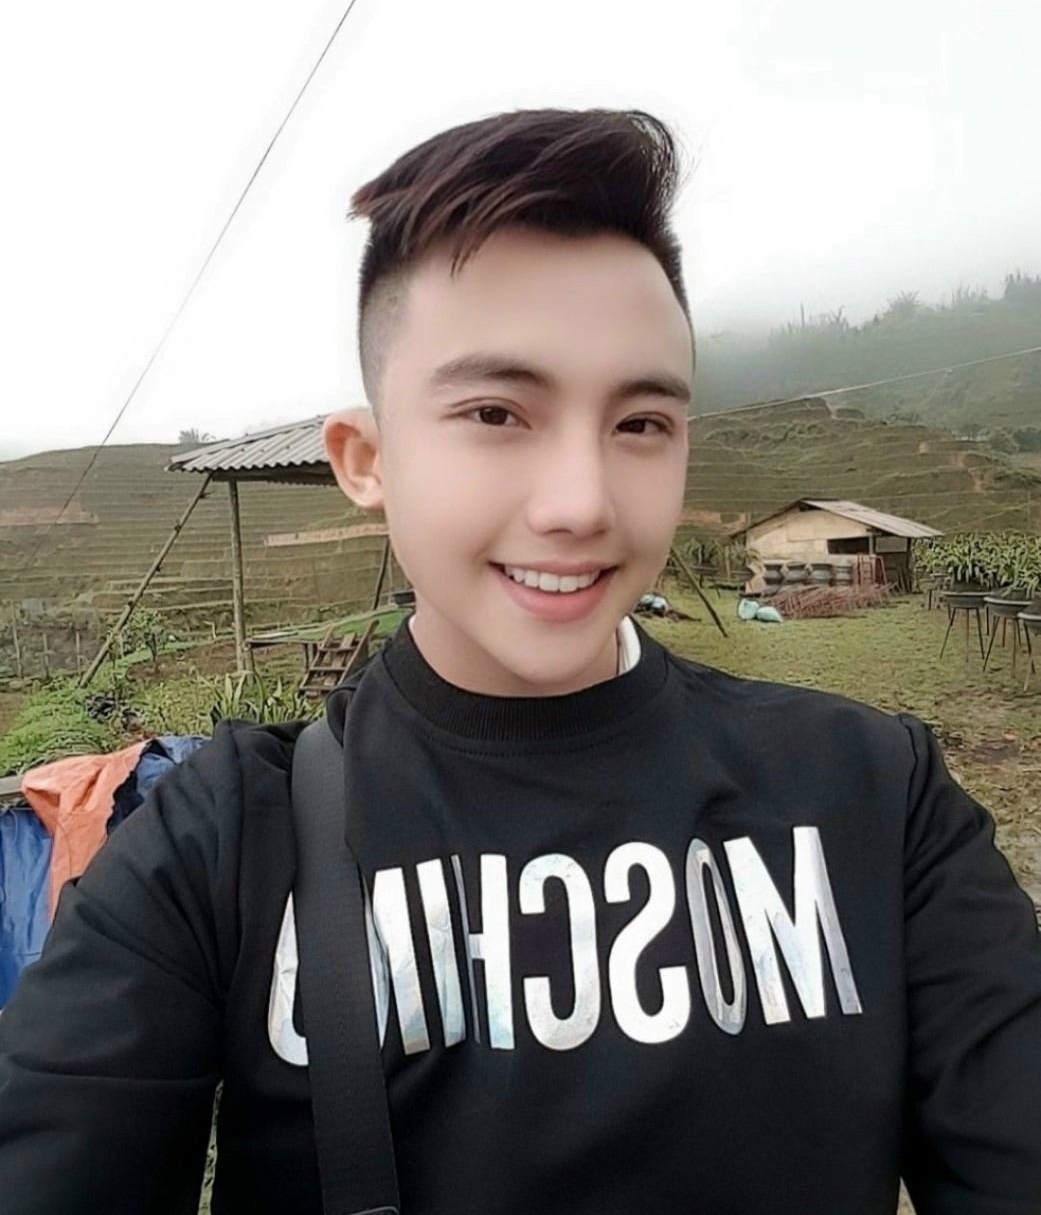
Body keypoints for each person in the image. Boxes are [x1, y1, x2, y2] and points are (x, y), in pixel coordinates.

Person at [1, 108, 1040, 1215]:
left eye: (640, 424)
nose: (581, 503)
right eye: (497, 412)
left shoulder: (875, 792)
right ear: (366, 459)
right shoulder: (218, 842)